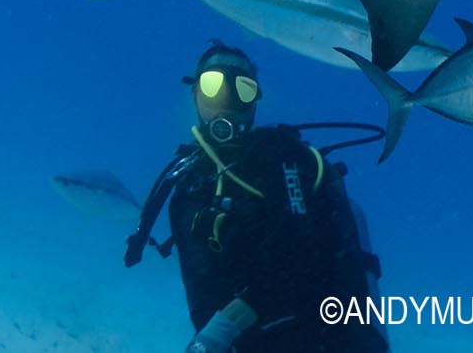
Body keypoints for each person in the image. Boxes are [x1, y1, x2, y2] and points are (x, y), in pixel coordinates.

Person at [126, 41, 389, 352]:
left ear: (254, 102)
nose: (226, 100)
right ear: (194, 93)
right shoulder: (187, 182)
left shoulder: (284, 161)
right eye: (212, 86)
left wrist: (219, 331)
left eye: (243, 89)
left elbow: (300, 264)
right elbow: (199, 288)